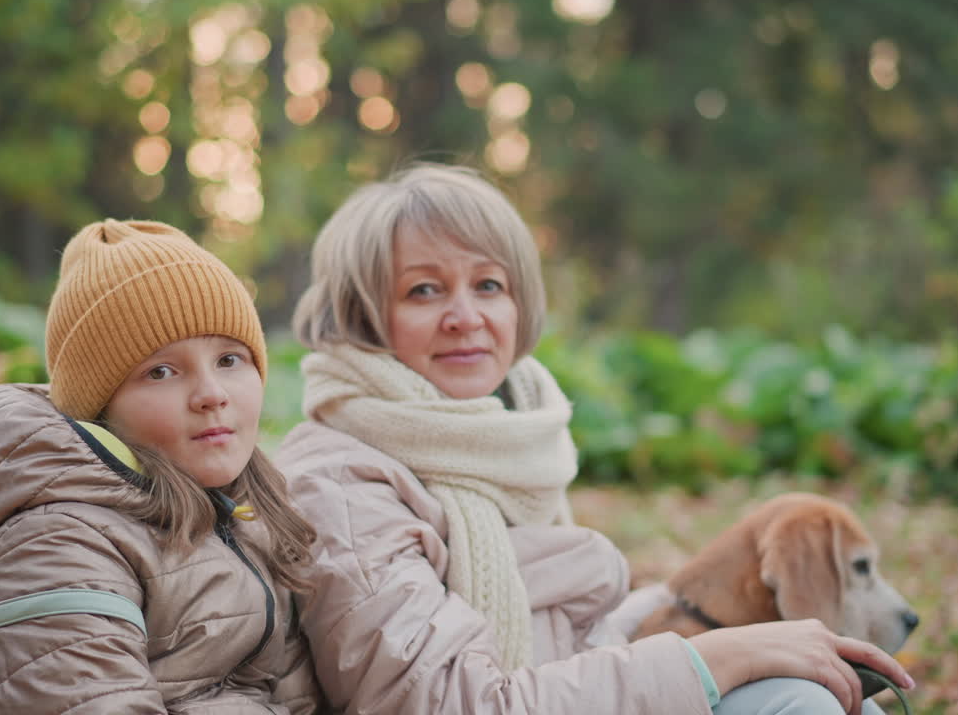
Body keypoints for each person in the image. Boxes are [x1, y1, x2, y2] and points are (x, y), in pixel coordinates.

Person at [275, 163, 913, 715]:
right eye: (424, 290)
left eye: (489, 285)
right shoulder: (343, 485)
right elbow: (446, 703)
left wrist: (696, 618)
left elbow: (563, 650)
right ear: (362, 318)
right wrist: (709, 659)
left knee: (809, 694)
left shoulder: (502, 447)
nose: (466, 317)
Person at [0, 219, 323, 714]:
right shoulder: (55, 541)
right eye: (161, 371)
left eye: (229, 359)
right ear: (99, 409)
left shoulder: (250, 515)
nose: (211, 394)